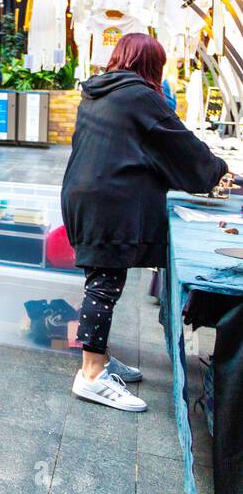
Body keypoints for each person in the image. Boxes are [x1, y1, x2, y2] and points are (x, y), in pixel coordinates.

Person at [62, 33, 230, 412]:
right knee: (103, 285)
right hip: (108, 201)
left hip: (83, 195)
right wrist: (218, 171)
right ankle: (91, 374)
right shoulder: (140, 96)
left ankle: (99, 357)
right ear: (151, 64)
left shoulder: (98, 93)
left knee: (101, 280)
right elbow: (179, 144)